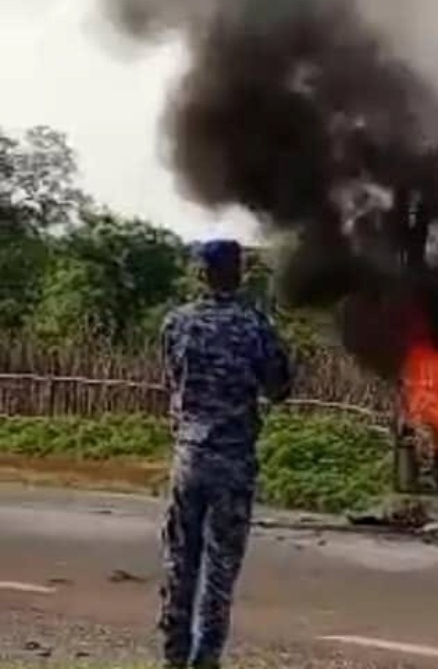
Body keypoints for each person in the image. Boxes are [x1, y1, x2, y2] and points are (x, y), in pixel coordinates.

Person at [158, 239, 292, 669]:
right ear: (239, 273)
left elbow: (173, 378)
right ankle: (205, 659)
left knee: (181, 560)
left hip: (188, 458)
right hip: (232, 461)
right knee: (220, 568)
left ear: (202, 272)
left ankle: (173, 656)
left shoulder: (177, 323)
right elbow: (279, 388)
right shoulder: (255, 326)